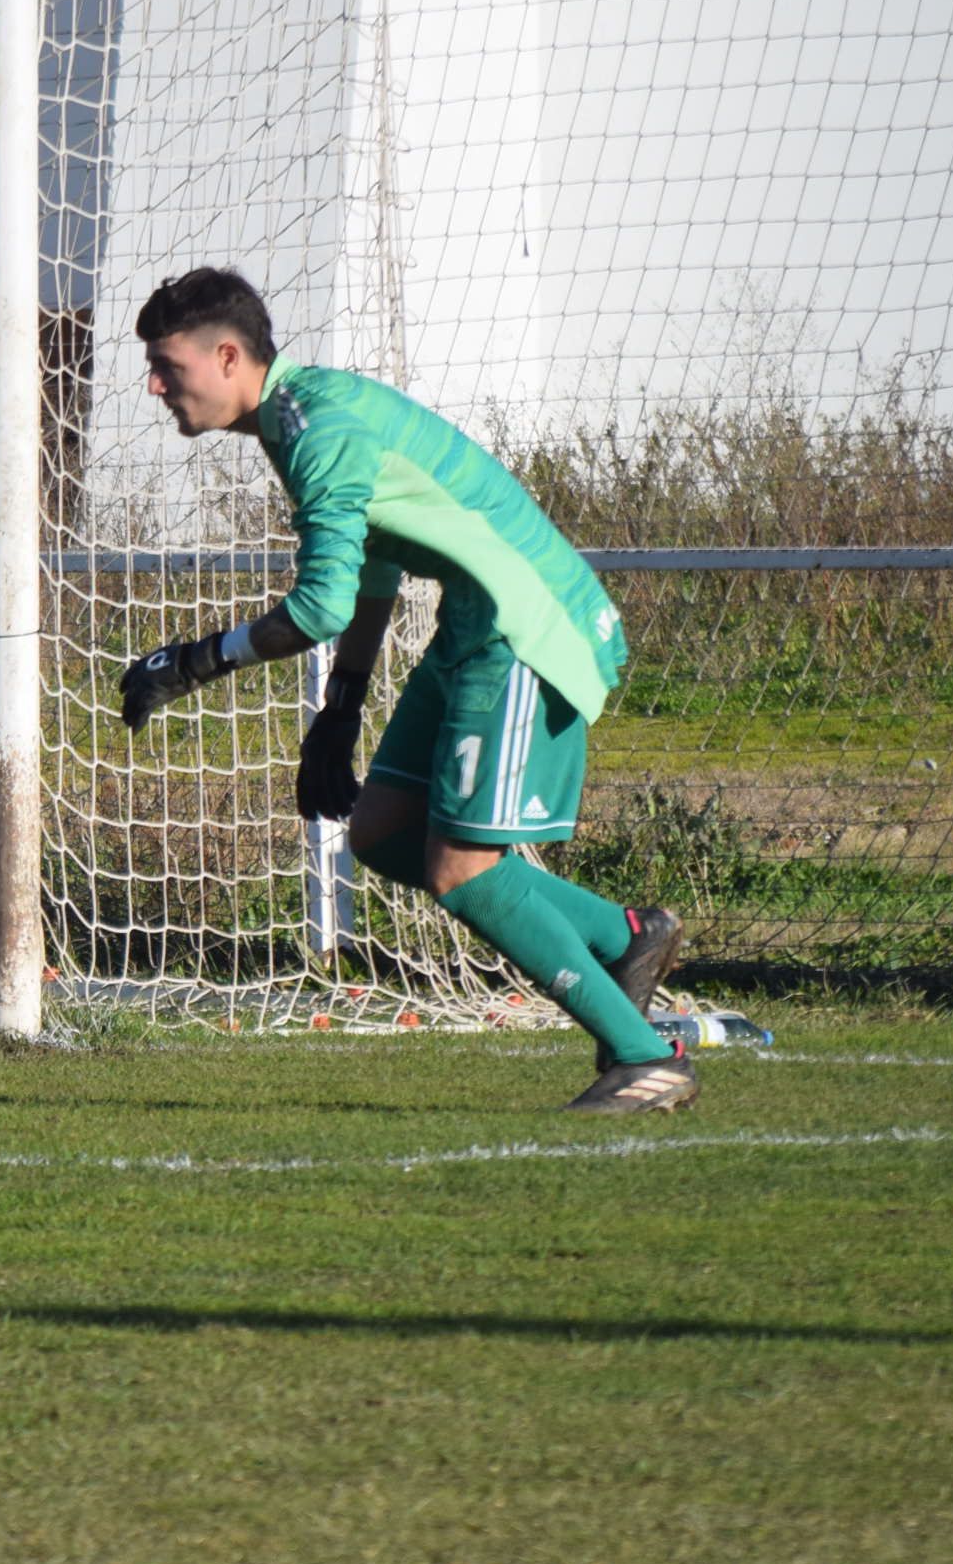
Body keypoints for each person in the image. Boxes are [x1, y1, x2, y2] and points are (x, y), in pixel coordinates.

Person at [116, 267, 693, 1112]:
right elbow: (378, 563)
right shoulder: (298, 414)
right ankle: (626, 935)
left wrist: (190, 663)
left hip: (521, 630)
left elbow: (318, 607)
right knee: (384, 833)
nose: (156, 384)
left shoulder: (317, 429)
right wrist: (339, 708)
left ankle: (648, 1060)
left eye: (168, 365)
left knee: (461, 869)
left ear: (228, 356)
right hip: (473, 621)